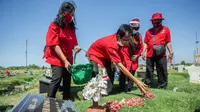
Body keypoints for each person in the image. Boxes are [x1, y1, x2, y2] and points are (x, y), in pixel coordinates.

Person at [87, 24, 148, 94]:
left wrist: (118, 63)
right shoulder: (111, 44)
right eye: (125, 40)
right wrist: (137, 82)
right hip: (95, 53)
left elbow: (121, 57)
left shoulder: (122, 41)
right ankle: (93, 92)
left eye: (129, 40)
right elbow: (120, 66)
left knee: (112, 71)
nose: (127, 43)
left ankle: (108, 91)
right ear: (119, 36)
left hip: (106, 55)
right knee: (94, 72)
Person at [43, 1, 81, 100]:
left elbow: (73, 43)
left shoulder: (71, 27)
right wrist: (64, 61)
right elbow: (54, 45)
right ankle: (49, 100)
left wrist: (75, 47)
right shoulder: (54, 25)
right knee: (57, 78)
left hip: (68, 56)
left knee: (67, 80)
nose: (72, 16)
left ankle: (66, 101)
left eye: (73, 14)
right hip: (56, 56)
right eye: (71, 13)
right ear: (64, 12)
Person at [142, 12, 173, 89]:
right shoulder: (148, 31)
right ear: (152, 21)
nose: (156, 22)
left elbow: (168, 42)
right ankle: (147, 85)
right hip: (150, 54)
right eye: (154, 20)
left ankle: (162, 86)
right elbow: (145, 42)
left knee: (162, 70)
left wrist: (170, 52)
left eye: (158, 20)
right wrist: (143, 51)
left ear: (161, 20)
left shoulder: (166, 29)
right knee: (149, 70)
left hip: (161, 54)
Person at [119, 18, 143, 92]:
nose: (134, 28)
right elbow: (119, 45)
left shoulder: (139, 36)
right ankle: (121, 89)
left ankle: (130, 88)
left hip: (134, 58)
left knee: (132, 72)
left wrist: (137, 55)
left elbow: (141, 48)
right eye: (132, 26)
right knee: (123, 72)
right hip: (124, 57)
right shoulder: (125, 34)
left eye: (136, 26)